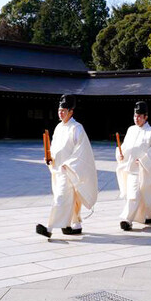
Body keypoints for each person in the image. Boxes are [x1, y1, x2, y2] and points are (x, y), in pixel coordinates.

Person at [36, 94, 98, 239]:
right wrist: (49, 157)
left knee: (60, 197)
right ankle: (74, 225)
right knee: (71, 199)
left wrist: (69, 165)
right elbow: (54, 147)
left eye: (64, 110)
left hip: (69, 170)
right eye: (59, 110)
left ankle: (50, 228)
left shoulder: (77, 128)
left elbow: (82, 151)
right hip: (58, 169)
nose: (61, 112)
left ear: (71, 111)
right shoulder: (58, 127)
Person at [116, 101, 151, 231]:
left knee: (144, 192)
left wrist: (143, 160)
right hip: (132, 169)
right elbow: (125, 148)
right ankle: (129, 219)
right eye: (135, 116)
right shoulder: (131, 130)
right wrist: (120, 155)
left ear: (146, 117)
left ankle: (141, 216)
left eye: (139, 116)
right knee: (134, 194)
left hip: (143, 169)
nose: (136, 118)